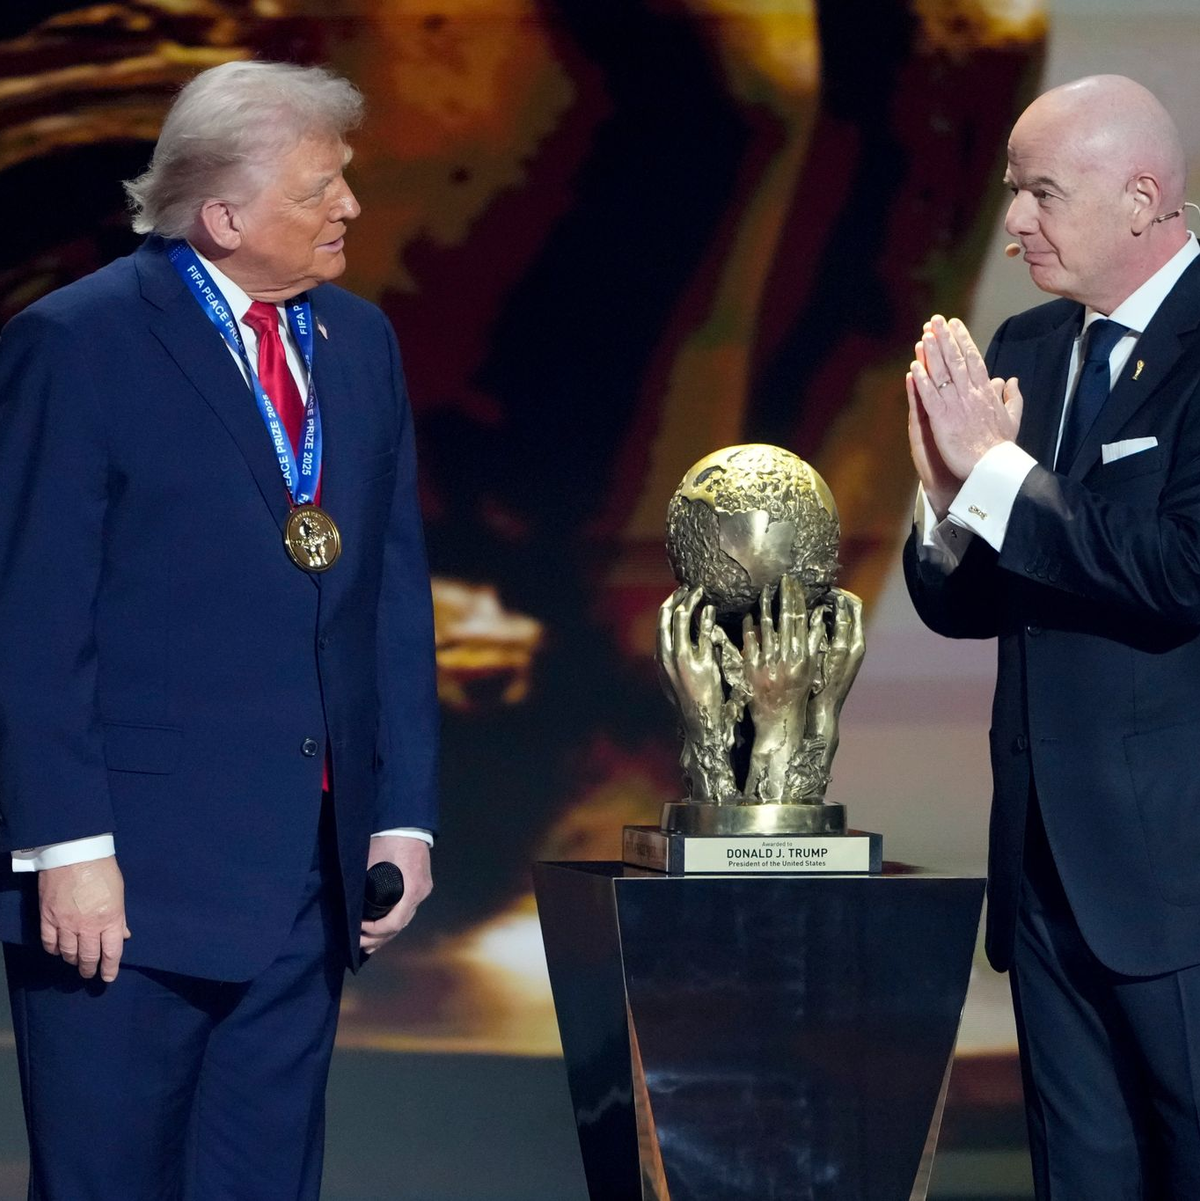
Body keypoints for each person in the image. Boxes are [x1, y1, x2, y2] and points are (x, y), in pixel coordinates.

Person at [0, 60, 438, 1199]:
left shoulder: (357, 343)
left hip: (303, 882)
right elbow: (32, 620)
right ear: (224, 214)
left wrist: (401, 813)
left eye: (345, 181)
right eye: (320, 189)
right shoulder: (77, 343)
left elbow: (388, 590)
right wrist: (68, 848)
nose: (348, 207)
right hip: (121, 894)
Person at [904, 73, 1200, 1198]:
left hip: (1175, 886)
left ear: (1140, 198)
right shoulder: (1029, 342)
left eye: (1041, 193)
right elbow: (972, 603)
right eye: (1011, 191)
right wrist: (943, 503)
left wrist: (1001, 477)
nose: (1015, 220)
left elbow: (1181, 571)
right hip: (1043, 882)